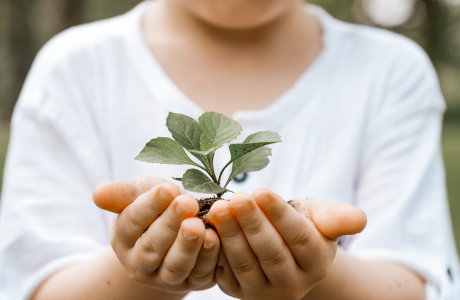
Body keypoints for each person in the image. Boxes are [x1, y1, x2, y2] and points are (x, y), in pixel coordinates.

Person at [0, 0, 458, 299]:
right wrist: (136, 272)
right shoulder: (73, 70)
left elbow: (414, 284)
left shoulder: (392, 71)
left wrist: (318, 274)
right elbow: (36, 284)